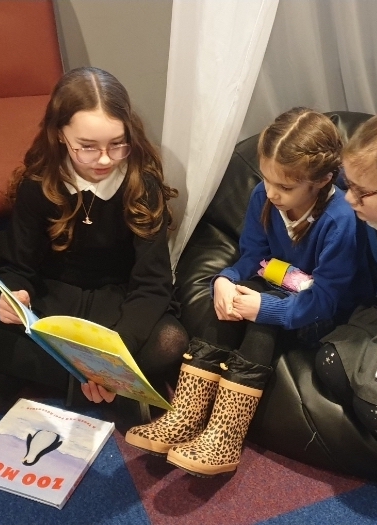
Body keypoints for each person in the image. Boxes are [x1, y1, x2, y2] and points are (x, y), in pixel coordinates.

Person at [125, 107, 375, 476]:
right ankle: (187, 415)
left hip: (323, 313)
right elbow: (252, 256)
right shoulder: (263, 196)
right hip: (279, 287)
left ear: (322, 180)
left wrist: (264, 309)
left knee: (261, 315)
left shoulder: (340, 220)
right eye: (267, 181)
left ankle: (226, 434)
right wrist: (225, 280)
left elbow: (325, 300)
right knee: (231, 301)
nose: (272, 193)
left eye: (286, 187)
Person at [0, 66, 189, 415]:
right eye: (87, 147)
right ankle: (100, 388)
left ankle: (33, 376)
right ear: (60, 135)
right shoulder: (38, 185)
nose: (104, 159)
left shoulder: (142, 186)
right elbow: (17, 267)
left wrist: (112, 359)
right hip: (54, 301)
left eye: (117, 145)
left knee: (171, 342)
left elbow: (153, 284)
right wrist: (13, 295)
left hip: (116, 305)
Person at [316, 115, 377, 438]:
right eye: (347, 184)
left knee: (372, 403)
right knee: (331, 362)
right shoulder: (369, 220)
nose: (349, 199)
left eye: (361, 192)